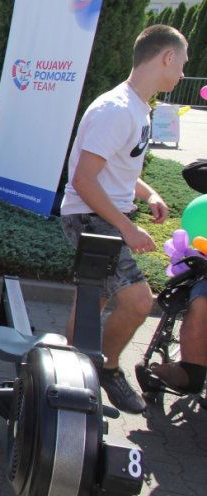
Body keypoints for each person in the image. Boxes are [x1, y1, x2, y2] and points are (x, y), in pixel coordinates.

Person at [58, 24, 188, 414]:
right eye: (181, 64)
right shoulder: (116, 110)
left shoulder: (136, 107)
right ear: (166, 57)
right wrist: (128, 228)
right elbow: (83, 179)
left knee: (91, 304)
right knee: (137, 303)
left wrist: (148, 194)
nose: (182, 73)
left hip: (99, 214)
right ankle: (107, 369)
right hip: (88, 217)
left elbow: (117, 167)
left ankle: (68, 376)